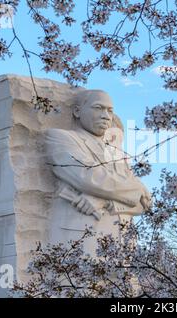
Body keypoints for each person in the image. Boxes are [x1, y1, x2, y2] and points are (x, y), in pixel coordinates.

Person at [45, 89, 151, 246]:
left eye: (110, 111)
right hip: (82, 239)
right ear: (77, 111)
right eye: (98, 108)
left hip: (124, 246)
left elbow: (144, 202)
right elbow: (89, 178)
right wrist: (135, 190)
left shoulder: (117, 152)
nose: (106, 116)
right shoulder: (61, 138)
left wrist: (104, 201)